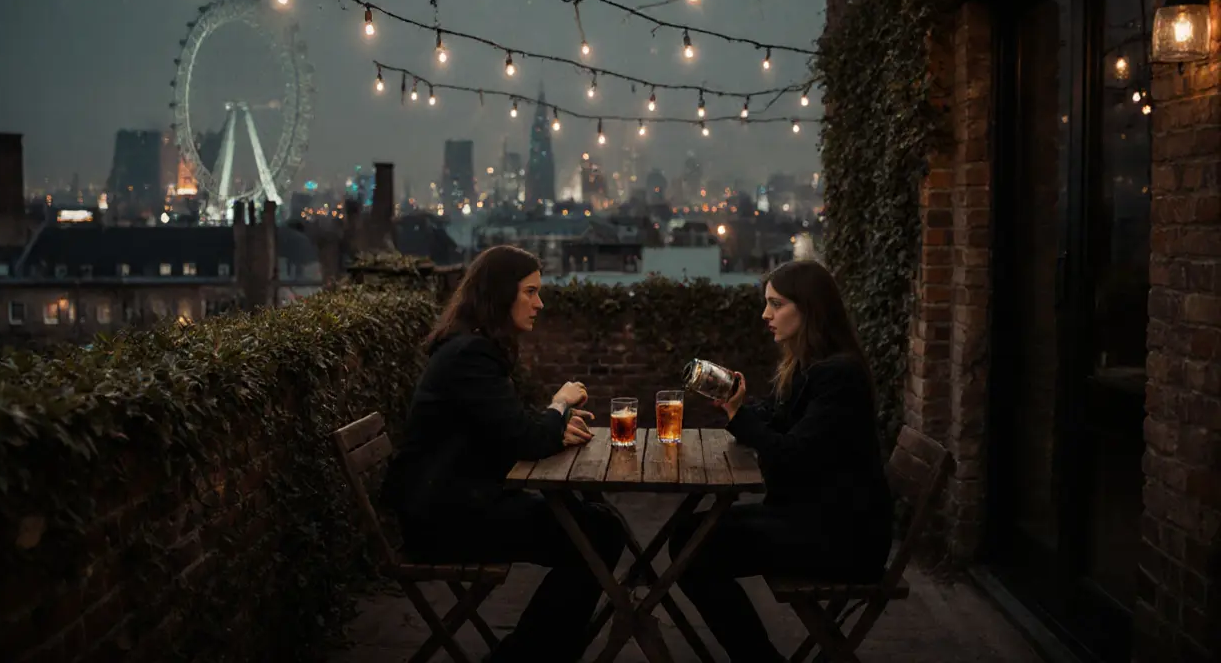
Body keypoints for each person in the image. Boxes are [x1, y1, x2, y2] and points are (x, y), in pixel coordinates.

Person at [382, 245, 623, 663]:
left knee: (598, 526)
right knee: (598, 535)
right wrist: (559, 406)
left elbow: (507, 424)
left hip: (457, 503)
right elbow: (523, 439)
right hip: (446, 519)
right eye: (530, 292)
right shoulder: (471, 355)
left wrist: (552, 422)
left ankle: (543, 649)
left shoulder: (469, 348)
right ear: (500, 294)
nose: (539, 303)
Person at [669, 260, 893, 662]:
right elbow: (776, 420)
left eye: (776, 304)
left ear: (808, 308)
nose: (765, 315)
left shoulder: (839, 376)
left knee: (694, 550)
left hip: (843, 539)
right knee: (687, 533)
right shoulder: (809, 365)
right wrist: (741, 408)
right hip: (813, 518)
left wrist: (740, 418)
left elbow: (790, 455)